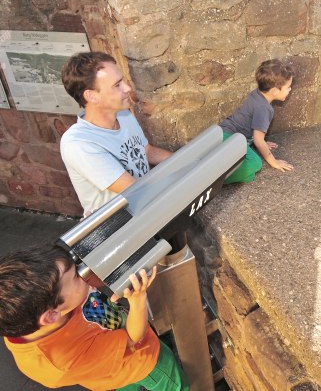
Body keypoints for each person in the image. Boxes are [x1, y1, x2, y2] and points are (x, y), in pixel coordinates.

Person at [0, 244, 189, 391]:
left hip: (109, 360)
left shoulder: (27, 316)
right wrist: (138, 299)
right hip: (144, 367)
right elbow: (133, 338)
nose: (82, 274)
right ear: (51, 315)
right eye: (75, 277)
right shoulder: (64, 359)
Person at [60, 52, 172, 216]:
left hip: (145, 210)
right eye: (117, 85)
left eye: (123, 81)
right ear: (92, 96)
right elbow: (133, 190)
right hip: (118, 227)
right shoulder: (78, 144)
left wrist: (191, 162)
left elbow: (148, 152)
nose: (127, 88)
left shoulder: (123, 115)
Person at [220, 58, 294, 184]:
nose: (290, 89)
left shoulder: (257, 94)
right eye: (288, 87)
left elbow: (252, 127)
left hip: (223, 132)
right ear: (275, 91)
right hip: (231, 138)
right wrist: (273, 161)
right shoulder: (264, 108)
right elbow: (258, 140)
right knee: (254, 164)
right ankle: (215, 180)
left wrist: (260, 140)